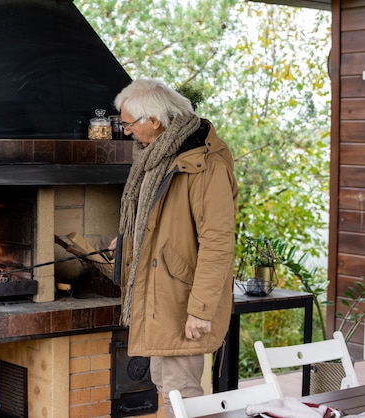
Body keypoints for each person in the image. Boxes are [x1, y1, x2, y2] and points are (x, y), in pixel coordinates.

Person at [110, 79, 238, 418]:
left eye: (128, 124)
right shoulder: (160, 157)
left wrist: (201, 309)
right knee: (168, 384)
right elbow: (160, 223)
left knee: (184, 393)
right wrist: (129, 242)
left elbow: (218, 242)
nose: (125, 132)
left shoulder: (203, 164)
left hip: (182, 300)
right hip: (161, 295)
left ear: (153, 120)